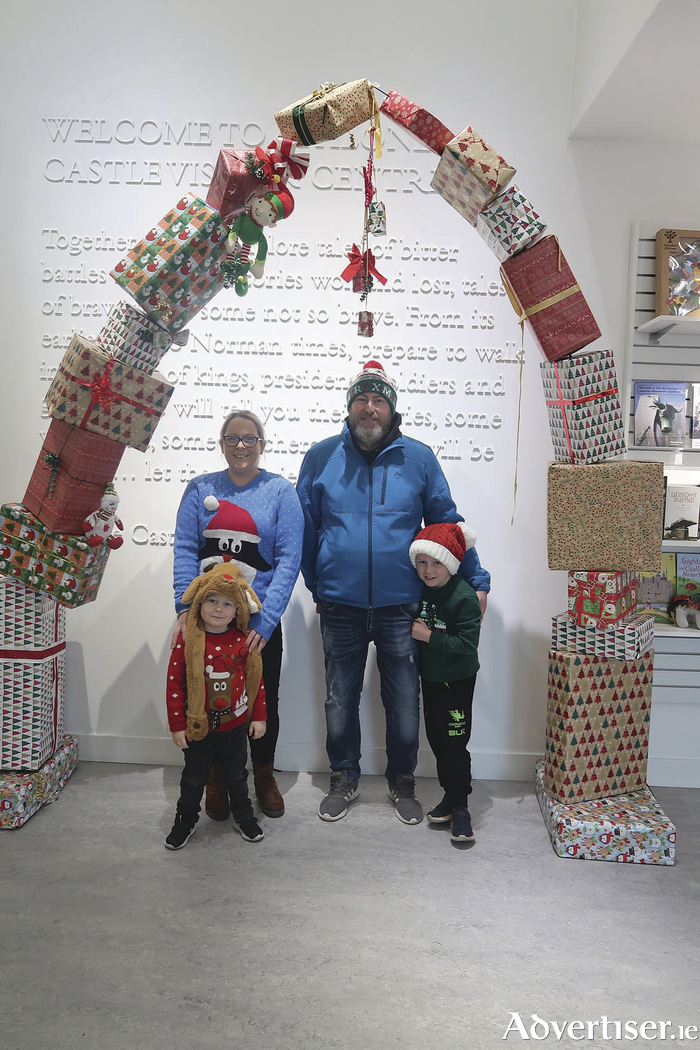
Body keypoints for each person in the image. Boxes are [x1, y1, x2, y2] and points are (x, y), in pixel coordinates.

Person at [296, 360, 490, 825]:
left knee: (403, 697)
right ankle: (343, 776)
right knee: (339, 697)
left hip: (403, 603)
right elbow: (304, 526)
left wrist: (477, 580)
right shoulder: (321, 457)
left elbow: (446, 522)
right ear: (349, 408)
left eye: (378, 400)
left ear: (391, 409)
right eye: (361, 399)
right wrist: (315, 582)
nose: (369, 407)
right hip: (339, 602)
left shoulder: (418, 458)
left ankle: (402, 780)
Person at [172, 409, 303, 819]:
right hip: (205, 620)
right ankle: (214, 774)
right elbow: (185, 550)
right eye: (232, 438)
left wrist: (266, 620)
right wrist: (184, 605)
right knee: (206, 696)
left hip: (258, 623)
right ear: (222, 443)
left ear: (262, 445)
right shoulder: (199, 489)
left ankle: (261, 772)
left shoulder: (281, 491)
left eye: (249, 438)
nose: (241, 446)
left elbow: (288, 558)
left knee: (264, 700)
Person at [165, 563, 267, 849]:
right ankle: (185, 820)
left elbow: (256, 683)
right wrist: (177, 726)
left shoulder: (242, 643)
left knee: (237, 775)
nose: (218, 609)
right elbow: (174, 686)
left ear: (239, 611)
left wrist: (258, 717)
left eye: (227, 604)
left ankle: (243, 815)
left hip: (234, 728)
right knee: (193, 779)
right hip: (199, 728)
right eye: (212, 600)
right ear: (199, 602)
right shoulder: (187, 642)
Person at [409, 522, 482, 844]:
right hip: (432, 680)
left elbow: (468, 644)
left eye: (436, 563)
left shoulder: (463, 596)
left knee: (454, 743)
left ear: (450, 563)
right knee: (438, 741)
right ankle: (450, 797)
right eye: (422, 562)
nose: (428, 570)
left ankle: (462, 804)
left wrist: (429, 636)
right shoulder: (421, 590)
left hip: (457, 682)